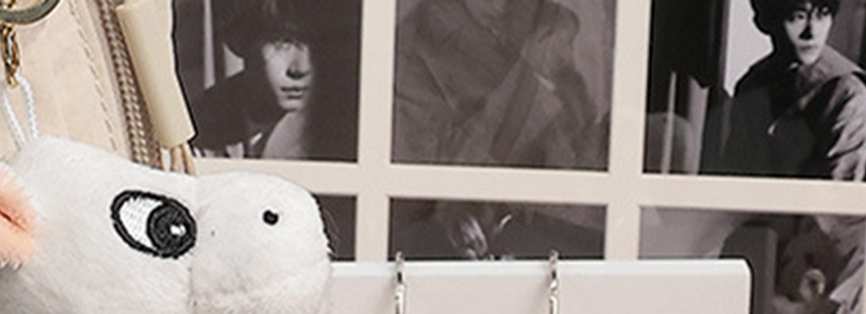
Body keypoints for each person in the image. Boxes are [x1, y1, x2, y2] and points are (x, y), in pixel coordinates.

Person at [392, 0, 606, 170]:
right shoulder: (415, 45)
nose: (502, 4)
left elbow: (575, 139)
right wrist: (535, 84)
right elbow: (439, 167)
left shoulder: (528, 21)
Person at [706, 0, 866, 181]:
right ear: (764, 21)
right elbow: (734, 173)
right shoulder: (752, 84)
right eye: (798, 17)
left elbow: (838, 192)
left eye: (822, 15)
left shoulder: (847, 94)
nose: (812, 32)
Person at [189, 1, 355, 161]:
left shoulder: (344, 129)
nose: (301, 68)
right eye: (283, 41)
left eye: (317, 46)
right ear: (242, 41)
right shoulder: (198, 125)